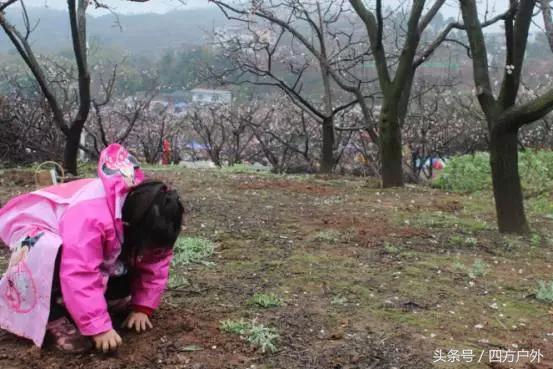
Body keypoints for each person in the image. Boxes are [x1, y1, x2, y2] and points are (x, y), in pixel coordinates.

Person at [0, 144, 184, 353]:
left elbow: (156, 262)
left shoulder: (151, 218)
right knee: (48, 249)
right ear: (128, 226)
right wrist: (99, 328)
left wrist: (143, 306)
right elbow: (79, 272)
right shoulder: (91, 217)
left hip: (95, 238)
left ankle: (88, 301)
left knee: (130, 254)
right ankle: (52, 315)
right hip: (39, 233)